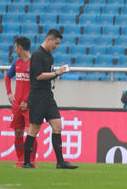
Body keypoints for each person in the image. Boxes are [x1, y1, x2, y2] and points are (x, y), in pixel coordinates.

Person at [21, 29, 76, 169]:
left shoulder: (49, 57)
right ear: (49, 39)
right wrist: (56, 72)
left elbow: (48, 74)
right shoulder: (38, 55)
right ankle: (26, 162)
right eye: (56, 43)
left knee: (58, 125)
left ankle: (60, 162)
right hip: (37, 96)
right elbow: (38, 76)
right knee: (34, 129)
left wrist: (57, 73)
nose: (56, 46)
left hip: (47, 96)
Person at [5, 36, 37, 167]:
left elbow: (36, 84)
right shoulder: (17, 63)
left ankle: (31, 161)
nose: (15, 50)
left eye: (15, 47)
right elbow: (7, 76)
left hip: (30, 105)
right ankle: (20, 160)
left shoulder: (34, 63)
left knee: (31, 132)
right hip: (17, 105)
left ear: (20, 47)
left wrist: (26, 100)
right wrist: (9, 92)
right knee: (18, 131)